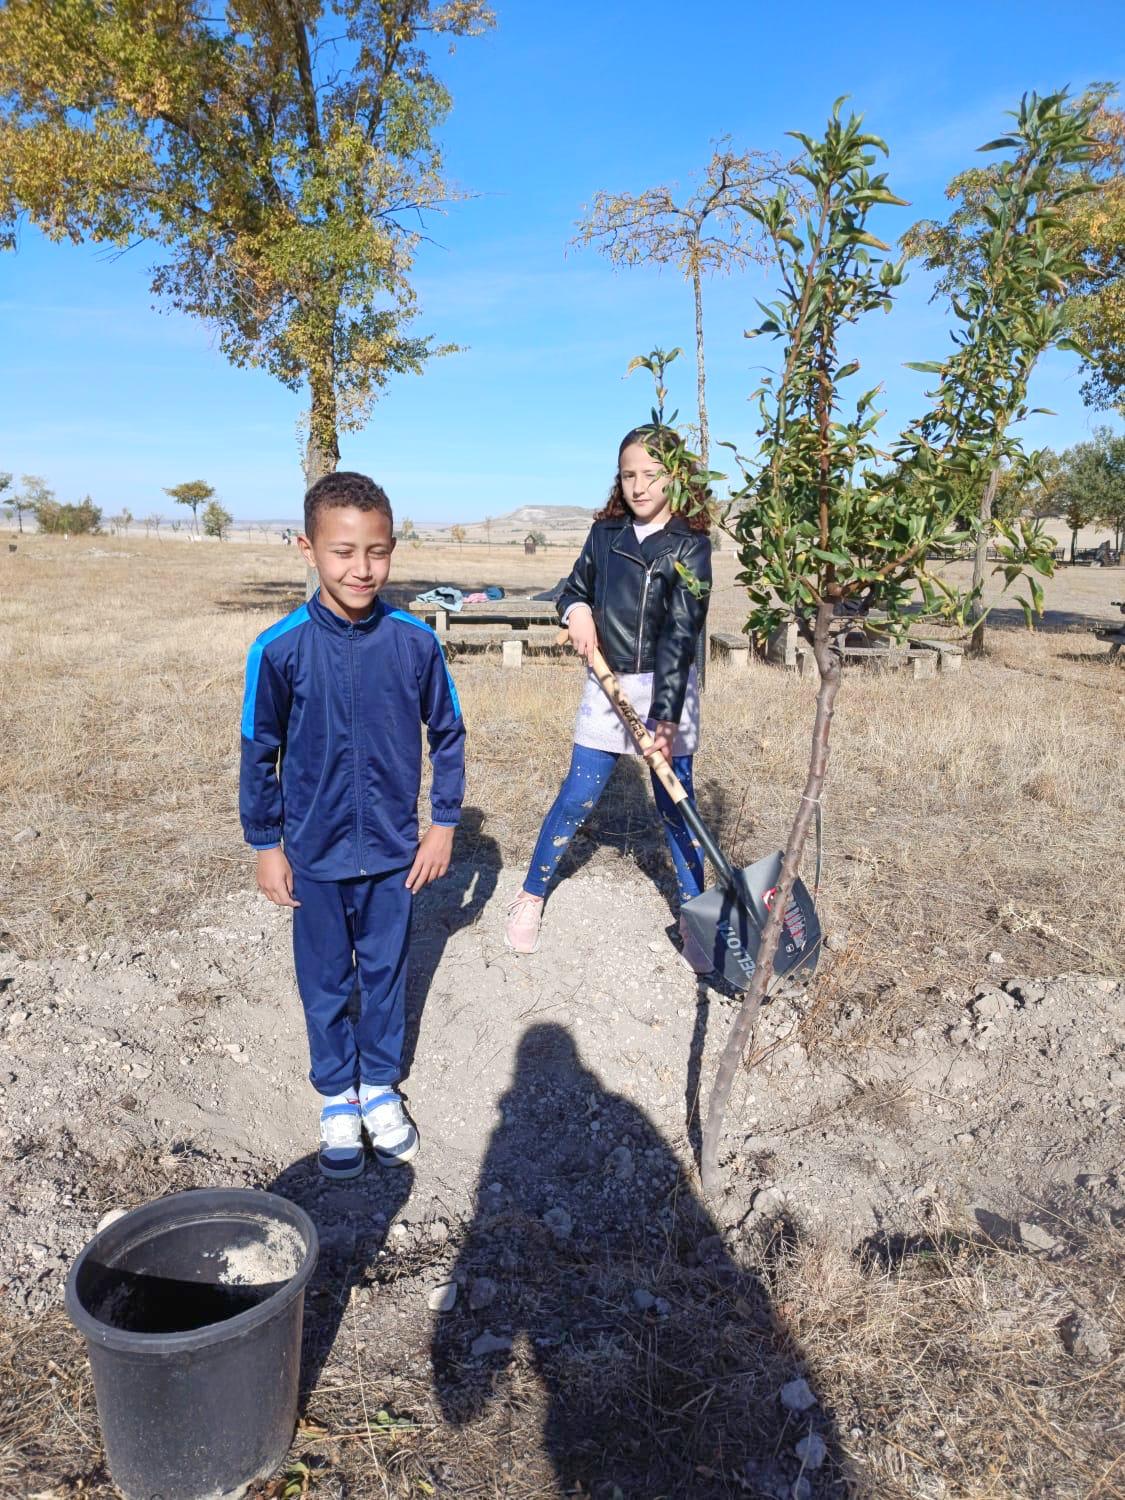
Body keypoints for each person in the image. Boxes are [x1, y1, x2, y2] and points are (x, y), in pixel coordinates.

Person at [240, 471, 465, 1179]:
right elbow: (258, 750)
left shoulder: (414, 642)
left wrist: (444, 823)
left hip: (395, 855)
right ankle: (336, 1094)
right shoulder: (276, 649)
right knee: (326, 979)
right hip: (312, 852)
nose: (360, 568)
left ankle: (378, 1088)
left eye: (376, 551)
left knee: (387, 972)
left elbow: (448, 733)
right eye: (342, 552)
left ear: (392, 549)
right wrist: (265, 844)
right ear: (308, 549)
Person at [505, 426, 713, 971]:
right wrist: (575, 613)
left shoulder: (691, 544)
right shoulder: (606, 535)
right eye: (628, 474)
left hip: (667, 686)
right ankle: (531, 893)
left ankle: (697, 917)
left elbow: (681, 637)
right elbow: (574, 587)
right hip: (606, 682)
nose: (639, 486)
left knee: (676, 804)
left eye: (651, 474)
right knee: (577, 796)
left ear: (676, 476)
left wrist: (665, 720)